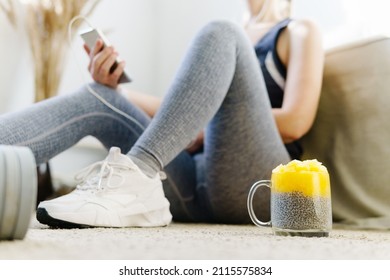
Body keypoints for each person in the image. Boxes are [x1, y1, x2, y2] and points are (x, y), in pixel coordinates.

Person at [0, 0, 324, 228]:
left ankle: (135, 176)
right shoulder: (232, 38)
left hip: (255, 187)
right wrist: (118, 92)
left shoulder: (298, 30)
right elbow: (183, 117)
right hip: (183, 186)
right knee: (98, 97)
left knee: (221, 32)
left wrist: (204, 125)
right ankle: (137, 181)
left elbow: (296, 122)